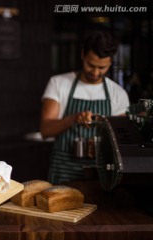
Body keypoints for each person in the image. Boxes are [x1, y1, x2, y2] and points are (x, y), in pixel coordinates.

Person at [40, 31, 130, 184]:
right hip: (64, 171)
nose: (95, 72)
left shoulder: (118, 94)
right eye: (91, 65)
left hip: (101, 174)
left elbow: (122, 141)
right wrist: (73, 118)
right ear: (82, 55)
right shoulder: (59, 83)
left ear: (110, 63)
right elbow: (45, 130)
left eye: (102, 68)